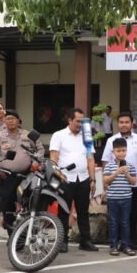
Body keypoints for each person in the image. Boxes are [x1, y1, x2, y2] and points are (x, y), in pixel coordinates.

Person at [0, 109, 44, 231]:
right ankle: (10, 229)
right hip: (7, 176)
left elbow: (40, 150)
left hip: (27, 175)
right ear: (4, 121)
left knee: (28, 202)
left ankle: (27, 230)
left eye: (13, 119)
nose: (10, 121)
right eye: (8, 119)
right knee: (7, 203)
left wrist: (35, 162)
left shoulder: (28, 135)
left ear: (18, 121)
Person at [49, 108, 99, 252]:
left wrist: (93, 179)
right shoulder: (59, 135)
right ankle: (62, 241)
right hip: (65, 178)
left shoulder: (87, 137)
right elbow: (53, 158)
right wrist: (57, 177)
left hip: (83, 178)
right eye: (78, 121)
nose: (80, 124)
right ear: (69, 120)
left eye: (82, 121)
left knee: (83, 211)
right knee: (64, 211)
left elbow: (90, 158)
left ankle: (85, 241)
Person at [101, 112, 137, 250]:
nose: (124, 125)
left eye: (127, 122)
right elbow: (105, 161)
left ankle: (129, 241)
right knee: (114, 219)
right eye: (121, 122)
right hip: (116, 185)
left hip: (134, 183)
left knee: (131, 215)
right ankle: (116, 242)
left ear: (132, 123)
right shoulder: (111, 140)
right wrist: (106, 183)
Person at [103, 137, 137, 256]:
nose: (121, 153)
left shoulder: (131, 166)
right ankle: (113, 245)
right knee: (113, 222)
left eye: (123, 150)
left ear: (127, 151)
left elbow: (133, 182)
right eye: (118, 151)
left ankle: (126, 245)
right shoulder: (109, 165)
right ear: (113, 152)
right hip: (113, 198)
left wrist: (127, 174)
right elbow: (105, 181)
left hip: (126, 198)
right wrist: (116, 172)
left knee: (125, 222)